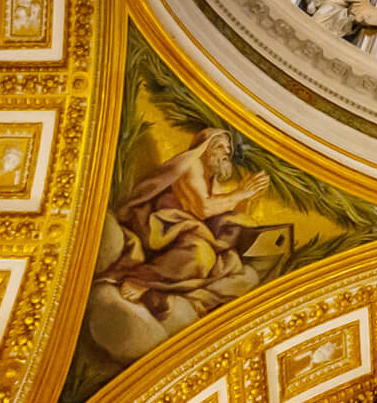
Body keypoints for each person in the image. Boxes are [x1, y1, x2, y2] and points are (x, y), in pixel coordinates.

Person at [95, 129, 270, 318]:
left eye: (228, 149)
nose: (226, 153)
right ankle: (142, 280)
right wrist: (240, 194)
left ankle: (171, 292)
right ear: (205, 148)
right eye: (220, 147)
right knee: (199, 254)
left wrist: (249, 198)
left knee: (233, 264)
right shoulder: (192, 166)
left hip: (186, 233)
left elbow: (219, 214)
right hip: (161, 229)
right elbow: (203, 209)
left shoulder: (212, 179)